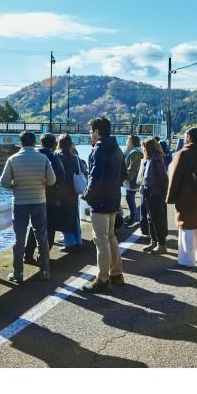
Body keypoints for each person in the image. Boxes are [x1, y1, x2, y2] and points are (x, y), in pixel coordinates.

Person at [0, 131, 57, 284]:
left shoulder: (12, 159)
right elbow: (52, 180)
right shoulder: (43, 158)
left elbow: (4, 182)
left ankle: (18, 273)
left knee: (19, 239)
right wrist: (41, 183)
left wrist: (15, 186)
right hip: (39, 201)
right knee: (41, 236)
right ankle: (45, 270)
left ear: (20, 143)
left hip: (19, 203)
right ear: (34, 143)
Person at [82, 116, 127, 293]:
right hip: (113, 198)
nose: (90, 134)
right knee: (110, 237)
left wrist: (86, 195)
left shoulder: (98, 150)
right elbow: (124, 173)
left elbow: (95, 177)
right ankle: (117, 274)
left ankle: (102, 278)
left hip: (100, 201)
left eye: (91, 130)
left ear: (96, 131)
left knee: (100, 239)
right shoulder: (116, 148)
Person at [166, 127, 197, 268]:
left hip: (186, 199)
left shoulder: (182, 154)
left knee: (186, 230)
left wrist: (170, 198)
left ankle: (187, 261)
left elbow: (174, 178)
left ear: (188, 137)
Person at [24, 133, 65, 264]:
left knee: (34, 227)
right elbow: (60, 178)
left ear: (40, 143)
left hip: (33, 196)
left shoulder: (32, 157)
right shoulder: (54, 159)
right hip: (51, 199)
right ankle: (43, 257)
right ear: (54, 145)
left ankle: (28, 255)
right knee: (50, 228)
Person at [54, 134, 85, 252]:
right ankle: (78, 240)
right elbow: (81, 171)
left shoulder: (57, 157)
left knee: (63, 217)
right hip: (73, 191)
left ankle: (70, 242)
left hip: (61, 191)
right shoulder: (75, 158)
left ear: (59, 144)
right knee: (74, 216)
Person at [140, 137, 169, 253]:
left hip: (155, 193)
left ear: (149, 148)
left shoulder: (156, 158)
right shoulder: (150, 158)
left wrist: (165, 192)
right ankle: (154, 242)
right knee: (151, 219)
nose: (143, 149)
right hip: (149, 192)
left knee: (157, 219)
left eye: (144, 147)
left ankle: (161, 245)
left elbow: (163, 177)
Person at [122, 135, 144, 226]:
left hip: (132, 180)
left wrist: (128, 178)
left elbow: (133, 168)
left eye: (128, 140)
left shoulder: (135, 152)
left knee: (129, 197)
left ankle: (133, 218)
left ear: (132, 142)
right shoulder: (133, 151)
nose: (127, 141)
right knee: (130, 197)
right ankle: (133, 217)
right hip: (133, 179)